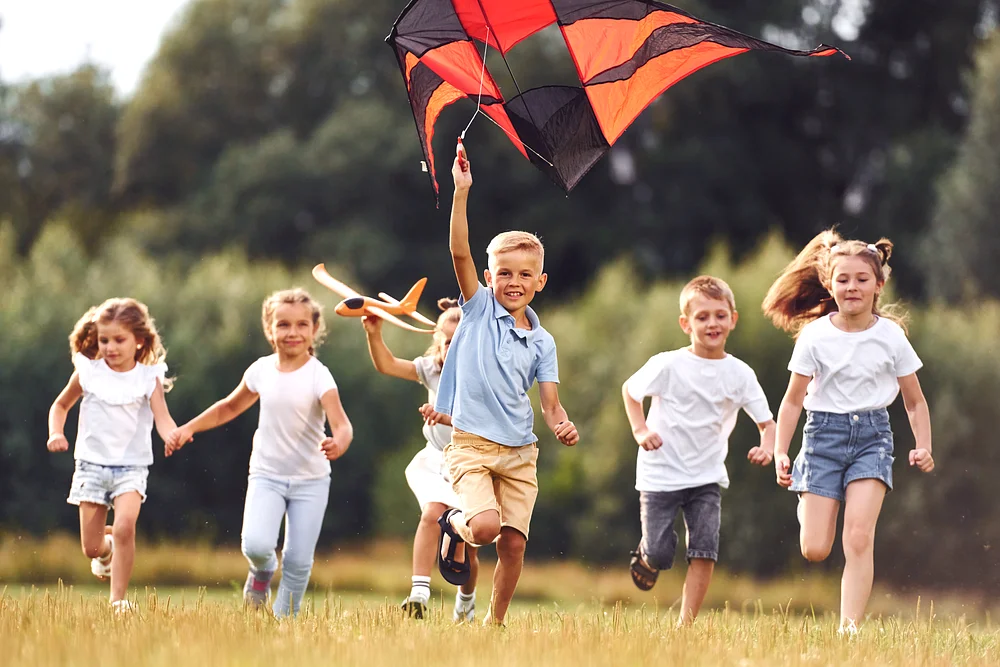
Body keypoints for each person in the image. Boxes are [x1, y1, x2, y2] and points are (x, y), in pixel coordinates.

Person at [433, 141, 579, 626]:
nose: (513, 281)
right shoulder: (475, 310)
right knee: (486, 528)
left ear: (541, 281)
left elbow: (550, 404)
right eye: (503, 273)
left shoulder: (542, 342)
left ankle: (494, 625)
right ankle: (452, 523)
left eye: (525, 274)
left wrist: (562, 425)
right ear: (490, 276)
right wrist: (461, 192)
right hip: (471, 445)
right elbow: (459, 251)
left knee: (513, 543)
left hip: (520, 451)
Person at [762, 230, 934, 635]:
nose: (852, 286)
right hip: (822, 438)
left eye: (861, 279)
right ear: (829, 283)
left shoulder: (891, 337)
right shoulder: (815, 336)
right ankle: (808, 490)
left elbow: (914, 401)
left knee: (858, 536)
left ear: (879, 285)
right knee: (816, 548)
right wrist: (782, 451)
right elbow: (791, 401)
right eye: (843, 279)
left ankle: (849, 629)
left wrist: (923, 445)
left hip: (873, 438)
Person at [166, 288, 353, 618]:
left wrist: (339, 441)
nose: (292, 332)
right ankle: (262, 572)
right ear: (270, 328)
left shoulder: (319, 375)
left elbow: (342, 424)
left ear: (314, 330)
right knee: (255, 545)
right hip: (267, 475)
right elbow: (228, 408)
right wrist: (188, 428)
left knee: (297, 561)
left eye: (300, 325)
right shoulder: (261, 371)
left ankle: (283, 626)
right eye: (283, 325)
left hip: (311, 480)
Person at [622, 276, 775, 626]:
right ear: (685, 323)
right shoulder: (668, 364)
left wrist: (767, 448)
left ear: (733, 319)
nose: (712, 323)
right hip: (659, 474)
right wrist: (640, 429)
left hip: (706, 477)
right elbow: (630, 391)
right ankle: (647, 555)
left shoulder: (740, 374)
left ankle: (685, 624)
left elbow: (768, 423)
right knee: (661, 554)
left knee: (704, 550)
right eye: (702, 316)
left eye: (720, 315)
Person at [47, 297, 178, 612]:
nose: (110, 347)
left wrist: (171, 434)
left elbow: (162, 416)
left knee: (124, 527)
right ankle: (106, 552)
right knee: (91, 548)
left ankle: (118, 601)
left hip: (131, 468)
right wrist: (56, 432)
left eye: (119, 340)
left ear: (139, 341)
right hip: (91, 466)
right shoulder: (89, 372)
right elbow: (60, 405)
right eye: (104, 340)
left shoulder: (148, 378)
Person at [360, 300, 480, 622]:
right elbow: (387, 365)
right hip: (436, 460)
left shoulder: (481, 377)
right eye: (447, 341)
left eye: (460, 341)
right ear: (437, 343)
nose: (452, 348)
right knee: (432, 514)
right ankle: (419, 593)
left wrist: (444, 418)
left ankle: (465, 601)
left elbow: (483, 425)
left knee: (467, 542)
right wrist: (374, 333)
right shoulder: (432, 369)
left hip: (472, 464)